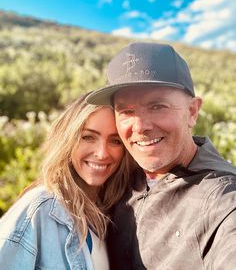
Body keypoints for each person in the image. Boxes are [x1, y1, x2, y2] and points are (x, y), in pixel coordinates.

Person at [86, 42, 236, 270]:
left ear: (192, 111)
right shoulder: (114, 176)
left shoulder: (223, 198)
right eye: (126, 111)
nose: (140, 126)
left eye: (157, 106)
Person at [0, 93, 134, 270]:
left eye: (115, 141)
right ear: (68, 139)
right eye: (88, 137)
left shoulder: (108, 214)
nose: (102, 153)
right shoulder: (40, 208)